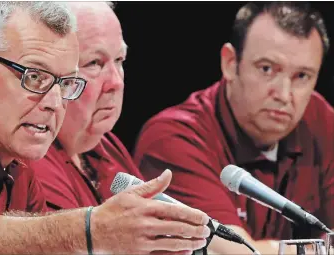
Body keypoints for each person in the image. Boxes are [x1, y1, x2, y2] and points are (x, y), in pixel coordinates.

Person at [0, 2, 212, 254]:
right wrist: (90, 231)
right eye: (35, 77)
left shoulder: (16, 165)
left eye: (65, 83)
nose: (55, 103)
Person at [133, 2, 333, 255]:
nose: (284, 94)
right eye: (267, 69)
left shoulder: (322, 122)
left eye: (302, 76)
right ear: (230, 63)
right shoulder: (173, 138)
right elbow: (235, 252)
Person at [27, 2, 144, 210]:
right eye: (94, 63)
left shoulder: (105, 143)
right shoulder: (31, 159)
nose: (116, 83)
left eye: (119, 60)